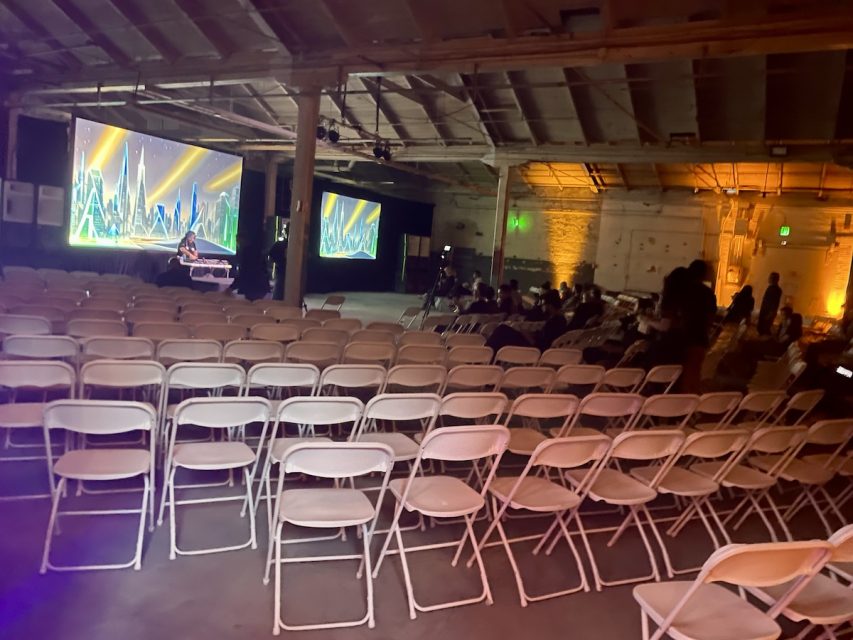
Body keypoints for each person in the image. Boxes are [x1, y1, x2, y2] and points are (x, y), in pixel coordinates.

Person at [486, 289, 568, 352]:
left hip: (532, 348)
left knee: (501, 331)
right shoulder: (561, 320)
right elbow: (544, 336)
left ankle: (486, 353)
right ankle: (489, 353)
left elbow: (542, 345)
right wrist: (532, 333)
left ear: (549, 306)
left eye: (543, 304)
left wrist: (528, 337)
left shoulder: (554, 322)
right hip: (532, 341)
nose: (542, 306)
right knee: (502, 329)